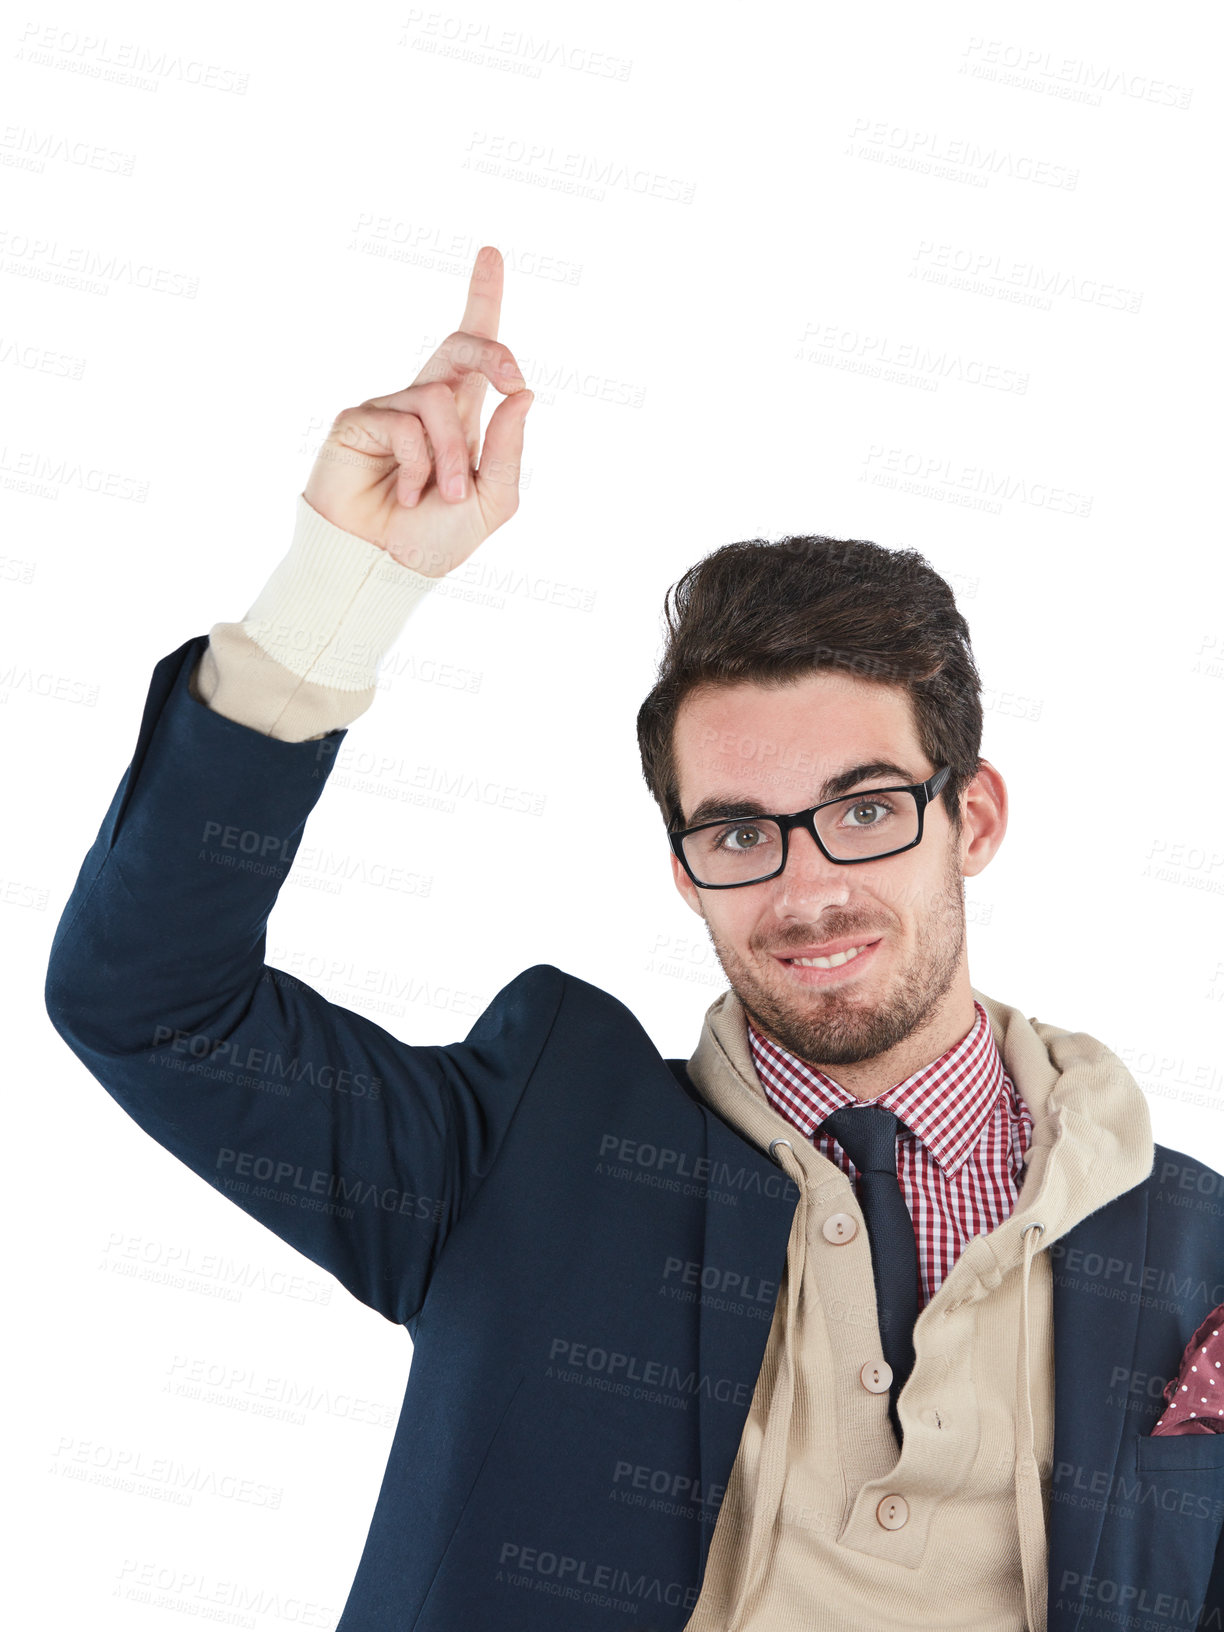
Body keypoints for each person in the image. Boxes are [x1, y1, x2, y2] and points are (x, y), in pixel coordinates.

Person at [45, 245, 1224, 1632]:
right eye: (739, 832)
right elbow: (151, 1003)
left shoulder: (1185, 1241)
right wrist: (338, 597)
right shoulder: (529, 1149)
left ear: (974, 816)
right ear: (684, 870)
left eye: (864, 811)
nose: (806, 888)